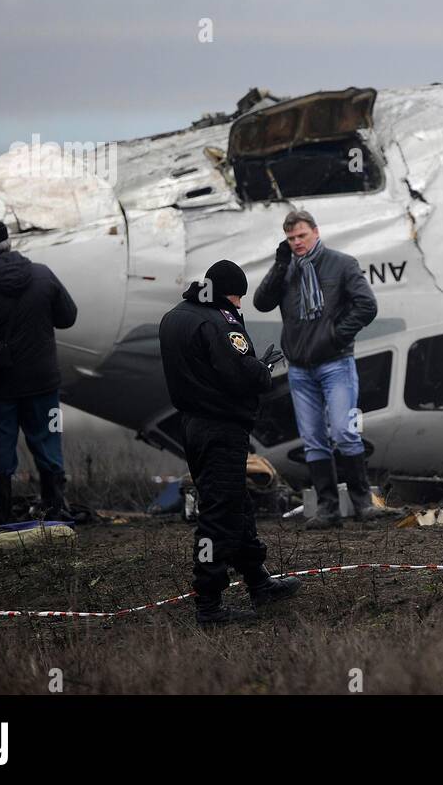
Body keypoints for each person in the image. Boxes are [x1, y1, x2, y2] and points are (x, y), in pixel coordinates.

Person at [159, 259, 302, 625]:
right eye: (239, 297)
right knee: (220, 514)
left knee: (236, 507)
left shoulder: (176, 316)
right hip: (222, 427)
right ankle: (209, 604)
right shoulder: (219, 321)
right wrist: (264, 370)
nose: (240, 305)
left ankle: (258, 582)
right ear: (230, 293)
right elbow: (240, 374)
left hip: (192, 424)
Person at [253, 209, 380, 529]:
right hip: (299, 368)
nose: (297, 243)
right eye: (291, 238)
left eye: (301, 236)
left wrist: (336, 335)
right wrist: (280, 264)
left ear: (316, 232)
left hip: (336, 362)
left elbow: (367, 305)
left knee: (343, 431)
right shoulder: (287, 269)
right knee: (312, 438)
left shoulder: (341, 264)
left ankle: (364, 503)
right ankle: (328, 509)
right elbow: (261, 302)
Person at [0, 221, 77, 523]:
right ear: (8, 242)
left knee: (1, 445)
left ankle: (4, 514)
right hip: (43, 383)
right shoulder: (43, 275)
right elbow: (68, 317)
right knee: (48, 441)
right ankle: (55, 508)